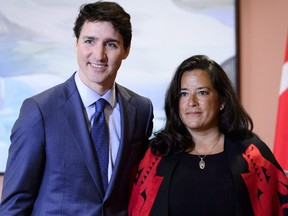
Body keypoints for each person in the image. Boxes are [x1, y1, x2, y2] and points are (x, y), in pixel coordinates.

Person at [0, 1, 153, 215]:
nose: (99, 55)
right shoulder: (39, 111)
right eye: (90, 41)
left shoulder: (141, 110)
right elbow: (14, 204)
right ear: (76, 44)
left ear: (126, 49)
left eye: (111, 44)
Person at [128, 55, 288, 216]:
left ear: (222, 101)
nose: (191, 101)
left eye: (202, 92)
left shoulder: (252, 155)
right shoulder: (156, 153)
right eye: (184, 93)